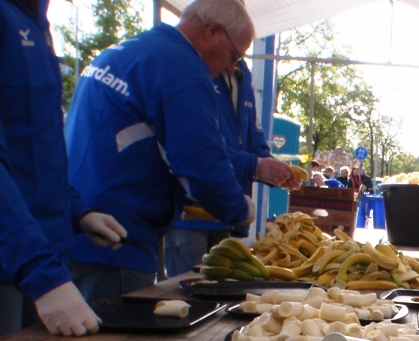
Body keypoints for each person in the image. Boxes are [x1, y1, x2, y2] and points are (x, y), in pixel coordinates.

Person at [66, 0, 285, 301]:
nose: (231, 68)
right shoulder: (181, 66)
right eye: (234, 55)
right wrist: (238, 208)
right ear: (213, 31)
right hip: (117, 237)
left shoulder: (134, 50)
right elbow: (198, 157)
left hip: (80, 221)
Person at [0, 0, 128, 337]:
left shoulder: (34, 22)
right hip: (18, 266)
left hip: (40, 260)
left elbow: (37, 148)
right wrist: (41, 274)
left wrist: (78, 212)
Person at [164, 58, 295, 277]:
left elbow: (254, 136)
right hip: (190, 216)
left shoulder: (243, 76)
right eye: (232, 49)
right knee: (186, 294)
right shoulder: (193, 72)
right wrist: (256, 166)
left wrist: (272, 167)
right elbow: (200, 146)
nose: (231, 60)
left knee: (217, 293)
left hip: (227, 214)